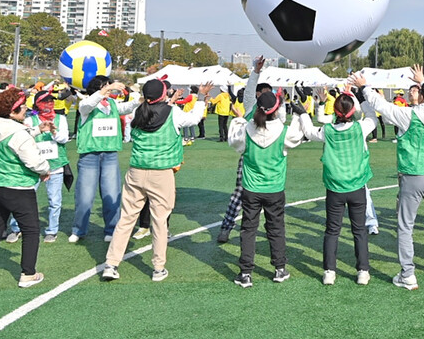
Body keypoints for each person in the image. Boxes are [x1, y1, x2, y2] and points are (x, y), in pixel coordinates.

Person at [351, 65, 424, 290]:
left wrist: (364, 87)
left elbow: (381, 106)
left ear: (423, 96)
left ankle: (408, 274)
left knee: (405, 226)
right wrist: (423, 79)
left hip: (412, 175)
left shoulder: (409, 115)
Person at [101, 80, 211, 282]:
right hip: (161, 173)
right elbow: (195, 118)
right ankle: (158, 268)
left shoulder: (138, 112)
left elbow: (154, 111)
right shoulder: (173, 113)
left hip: (136, 171)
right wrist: (202, 97)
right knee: (160, 221)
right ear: (163, 94)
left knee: (126, 219)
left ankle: (111, 264)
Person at [0, 87, 51, 290]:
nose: (25, 109)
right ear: (12, 111)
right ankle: (28, 273)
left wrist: (35, 130)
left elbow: (14, 137)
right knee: (31, 230)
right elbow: (34, 161)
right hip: (19, 188)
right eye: (22, 106)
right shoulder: (19, 133)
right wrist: (45, 169)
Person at [229, 89, 304, 288]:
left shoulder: (247, 129)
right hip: (274, 188)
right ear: (276, 109)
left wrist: (238, 120)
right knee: (276, 228)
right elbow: (297, 136)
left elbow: (234, 142)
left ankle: (246, 272)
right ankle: (280, 268)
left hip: (251, 188)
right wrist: (298, 114)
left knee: (248, 229)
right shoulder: (283, 131)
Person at [298, 90, 375, 285]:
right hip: (357, 186)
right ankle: (363, 272)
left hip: (335, 188)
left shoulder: (328, 131)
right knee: (359, 231)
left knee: (332, 230)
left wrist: (302, 113)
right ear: (352, 111)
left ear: (336, 111)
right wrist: (363, 98)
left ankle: (329, 272)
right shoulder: (360, 128)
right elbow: (373, 118)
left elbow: (308, 132)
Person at [217, 57, 283, 244]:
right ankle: (227, 227)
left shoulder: (277, 111)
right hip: (253, 159)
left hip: (267, 159)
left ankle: (271, 237)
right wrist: (255, 71)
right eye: (266, 93)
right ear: (258, 94)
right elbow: (250, 89)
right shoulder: (250, 105)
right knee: (241, 194)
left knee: (264, 199)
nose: (270, 97)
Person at [69, 76, 139, 243]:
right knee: (85, 196)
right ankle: (79, 229)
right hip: (89, 156)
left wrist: (136, 95)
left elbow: (129, 107)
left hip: (109, 155)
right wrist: (105, 90)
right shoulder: (86, 104)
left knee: (111, 193)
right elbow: (87, 105)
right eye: (107, 86)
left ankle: (111, 228)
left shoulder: (113, 105)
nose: (110, 89)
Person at [7, 90, 70, 243]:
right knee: (23, 199)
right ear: (37, 104)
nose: (49, 104)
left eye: (51, 101)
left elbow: (64, 139)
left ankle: (52, 230)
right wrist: (38, 130)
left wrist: (54, 132)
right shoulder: (30, 120)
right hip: (33, 167)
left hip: (55, 166)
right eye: (45, 101)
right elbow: (24, 138)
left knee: (54, 201)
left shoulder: (61, 119)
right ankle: (16, 228)